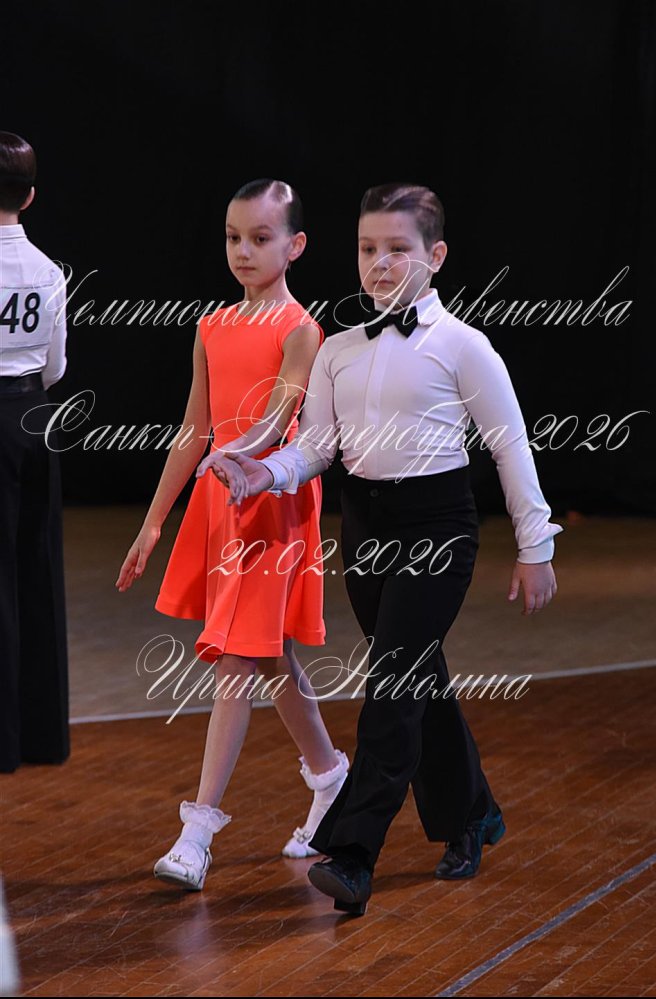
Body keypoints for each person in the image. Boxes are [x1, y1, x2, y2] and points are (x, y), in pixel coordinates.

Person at [205, 182, 564, 916]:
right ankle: (472, 814)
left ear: (436, 255)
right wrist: (263, 472)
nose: (380, 262)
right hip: (366, 527)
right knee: (417, 678)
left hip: (439, 526)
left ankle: (353, 853)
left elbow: (510, 445)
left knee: (392, 688)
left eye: (398, 249)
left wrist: (536, 545)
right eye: (368, 248)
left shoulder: (464, 346)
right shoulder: (338, 350)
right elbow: (316, 447)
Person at [115, 179, 349, 891]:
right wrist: (154, 521)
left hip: (272, 500)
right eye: (233, 237)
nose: (243, 250)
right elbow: (194, 430)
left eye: (260, 237)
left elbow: (280, 415)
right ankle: (330, 775)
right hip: (222, 500)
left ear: (295, 245)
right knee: (268, 653)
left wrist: (239, 454)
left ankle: (198, 832)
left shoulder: (302, 328)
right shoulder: (211, 326)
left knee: (237, 659)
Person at [0, 131, 69, 773]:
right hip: (33, 416)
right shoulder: (48, 271)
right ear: (29, 196)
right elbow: (55, 367)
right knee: (37, 570)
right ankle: (41, 737)